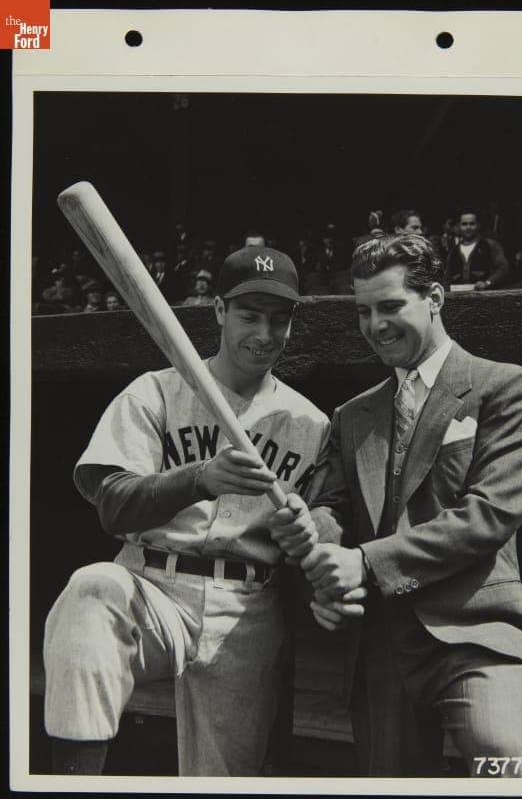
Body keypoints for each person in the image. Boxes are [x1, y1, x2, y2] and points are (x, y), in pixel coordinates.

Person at [42, 246, 331, 777]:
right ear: (219, 310)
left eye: (279, 319)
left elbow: (321, 535)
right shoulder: (155, 391)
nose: (264, 334)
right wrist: (197, 479)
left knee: (222, 778)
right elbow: (113, 505)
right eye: (249, 316)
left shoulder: (310, 423)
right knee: (90, 591)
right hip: (152, 586)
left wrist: (304, 533)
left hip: (248, 606)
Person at [267, 234, 522, 777]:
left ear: (435, 298)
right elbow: (332, 509)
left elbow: (490, 514)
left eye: (391, 306)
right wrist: (315, 545)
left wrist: (364, 563)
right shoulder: (351, 416)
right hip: (381, 644)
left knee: (504, 760)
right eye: (364, 311)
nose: (376, 325)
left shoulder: (507, 388)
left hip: (477, 632)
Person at [445, 211, 509, 290]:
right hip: (458, 295)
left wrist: (487, 283)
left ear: (478, 226)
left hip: (485, 294)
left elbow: (503, 268)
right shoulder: (453, 251)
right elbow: (447, 277)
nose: (468, 227)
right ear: (459, 226)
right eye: (464, 224)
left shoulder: (490, 245)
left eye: (472, 224)